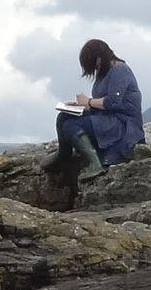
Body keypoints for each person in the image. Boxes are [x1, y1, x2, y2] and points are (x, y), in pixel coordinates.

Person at [53, 36, 144, 197]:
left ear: (99, 58)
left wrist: (88, 101)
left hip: (122, 124)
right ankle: (63, 156)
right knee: (63, 117)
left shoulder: (120, 70)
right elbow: (101, 105)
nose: (94, 69)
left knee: (71, 126)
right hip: (107, 119)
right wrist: (82, 106)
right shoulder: (105, 74)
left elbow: (112, 102)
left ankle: (95, 163)